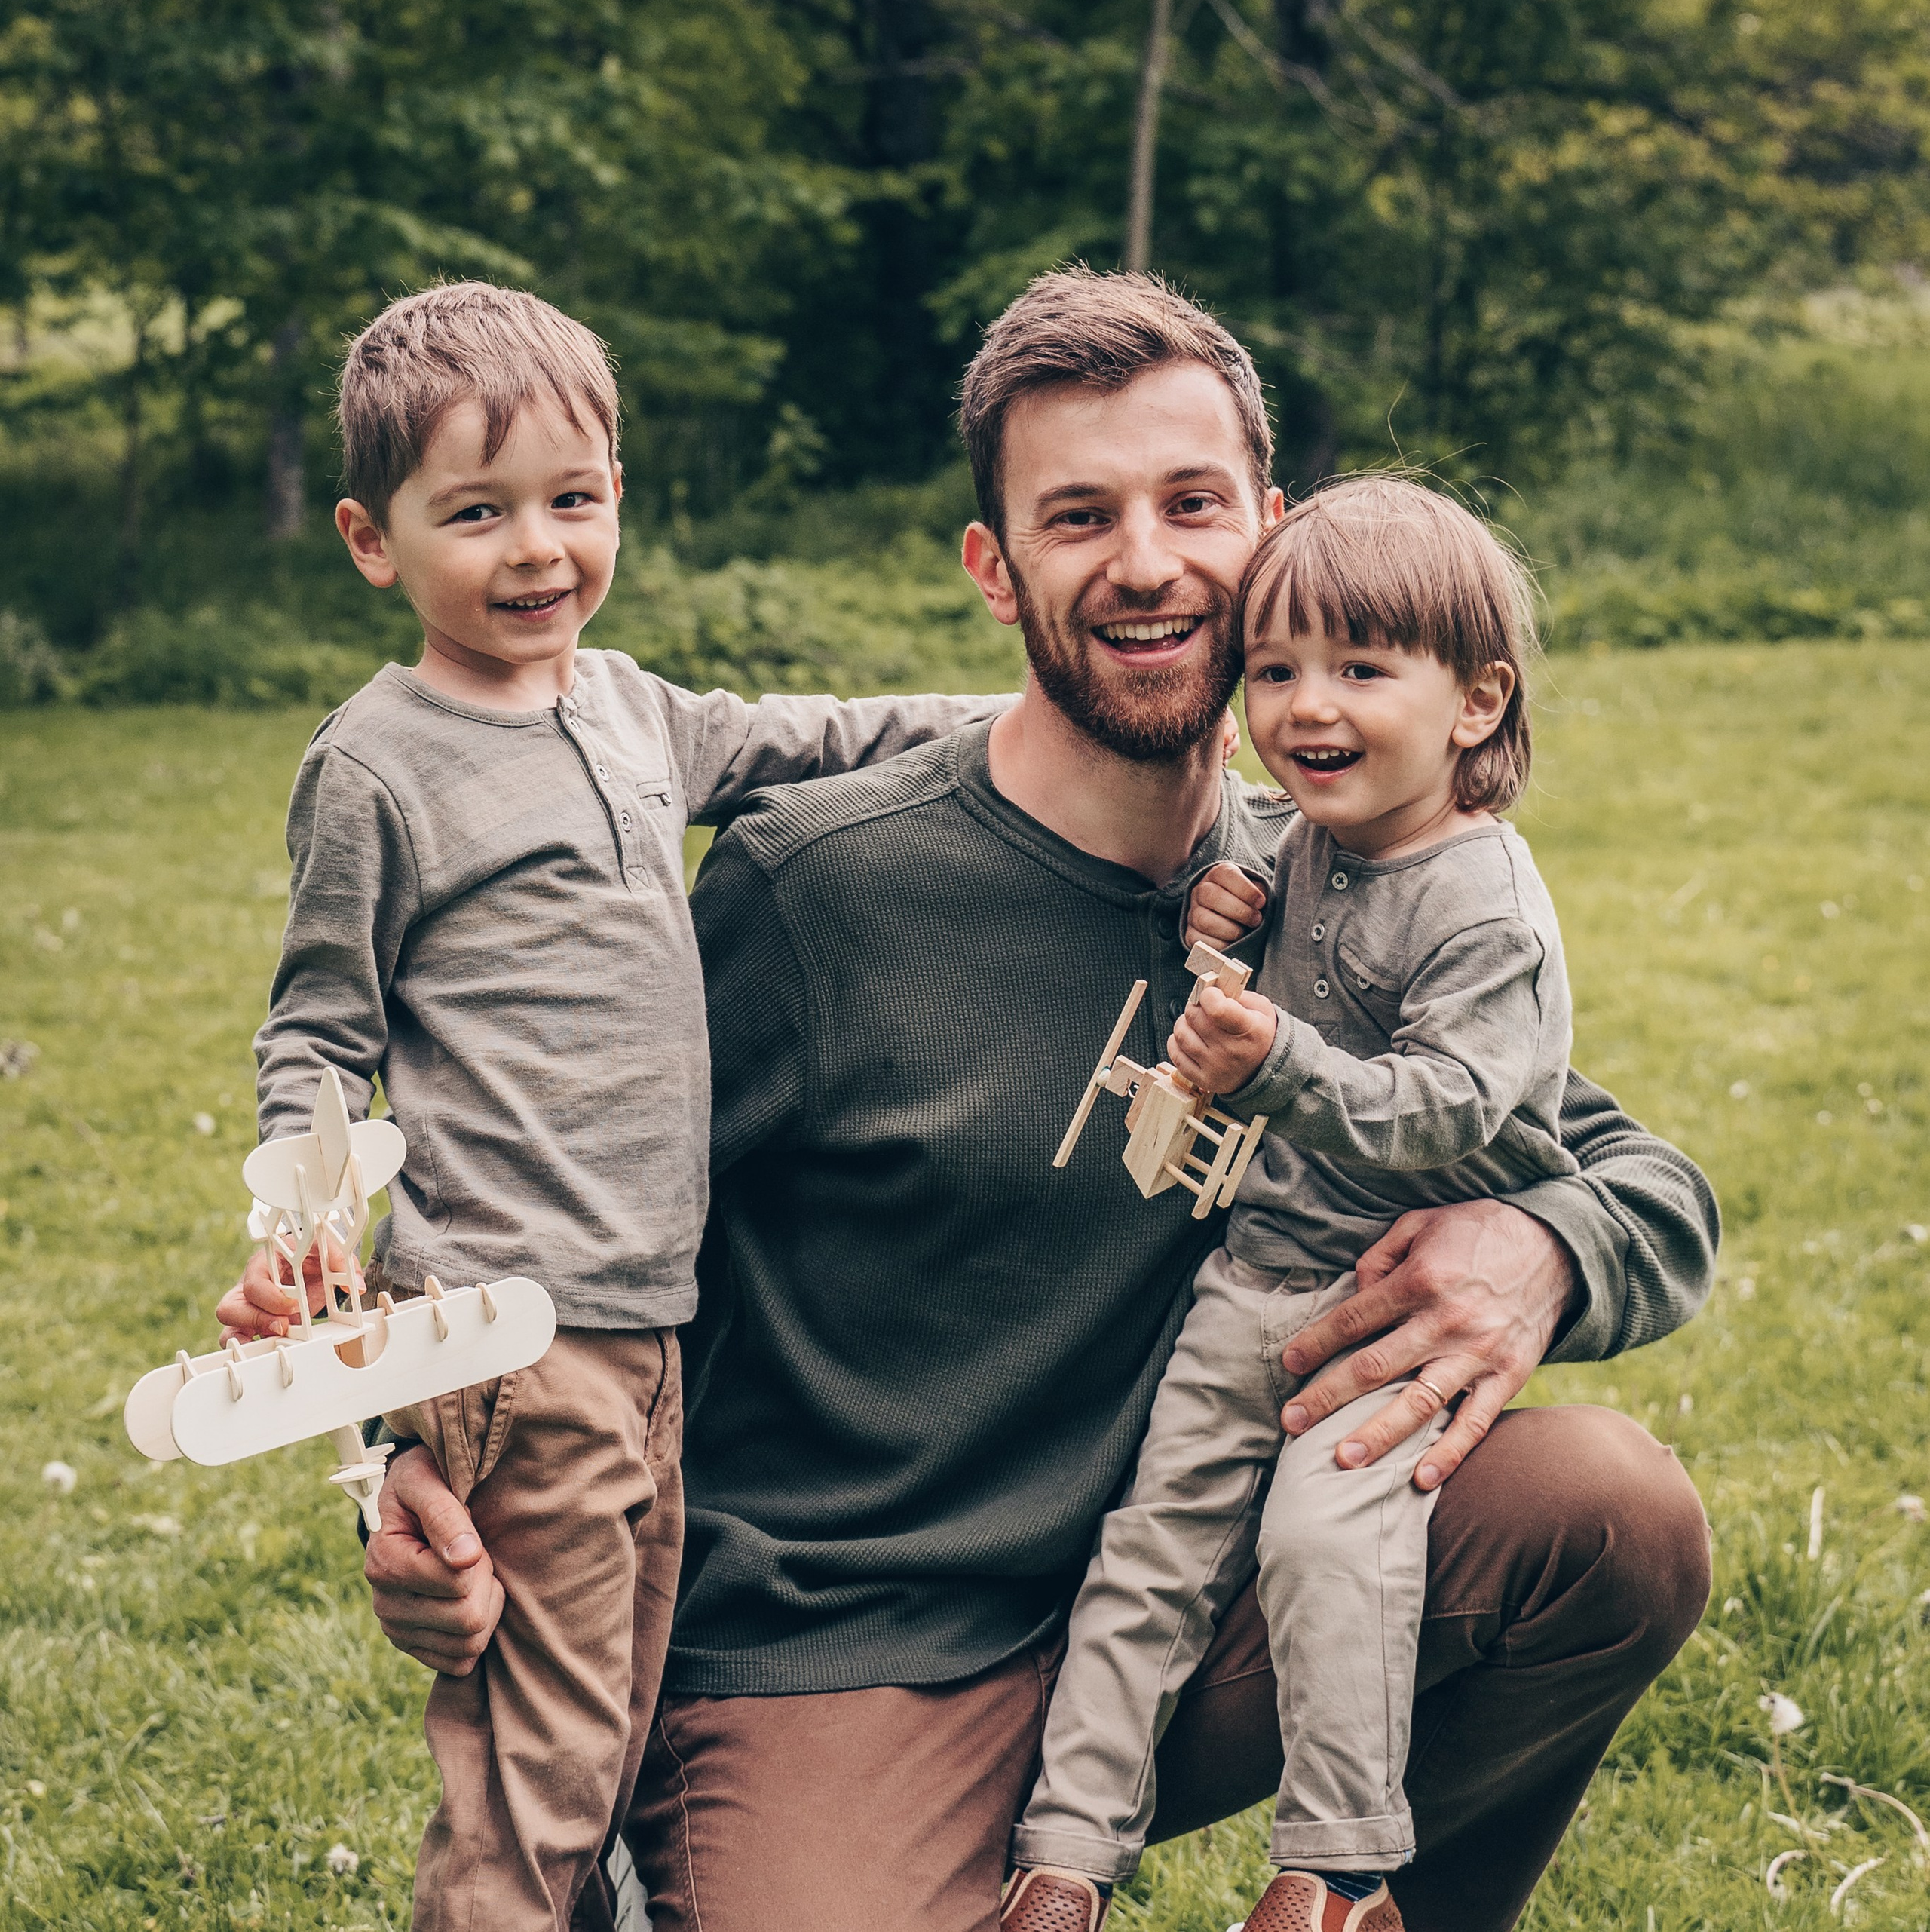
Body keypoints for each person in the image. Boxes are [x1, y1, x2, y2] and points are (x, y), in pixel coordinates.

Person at [346, 268, 1717, 1932]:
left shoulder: (1334, 884)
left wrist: (1544, 1251)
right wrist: (402, 1463)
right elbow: (544, 1190)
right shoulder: (816, 888)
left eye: (1191, 503)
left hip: (1179, 1593)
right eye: (1079, 515)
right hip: (836, 1654)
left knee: (1606, 1520)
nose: (1145, 562)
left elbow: (1636, 1181)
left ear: (1269, 531)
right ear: (995, 568)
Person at [222, 281, 1009, 1932]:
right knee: (541, 1773)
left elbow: (821, 737)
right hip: (513, 1325)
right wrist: (305, 1240)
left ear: (619, 503)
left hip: (650, 1323)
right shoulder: (378, 765)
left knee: (608, 1727)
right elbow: (317, 1031)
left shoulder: (629, 707)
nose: (535, 553)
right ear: (374, 541)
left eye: (571, 503)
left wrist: (1012, 726)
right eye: (476, 513)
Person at [1004, 474, 1576, 1932]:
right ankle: (1064, 1857)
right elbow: (1262, 861)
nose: (1306, 708)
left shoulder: (1482, 904)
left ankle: (1336, 1874)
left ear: (1474, 701)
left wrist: (1285, 1065)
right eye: (1273, 671)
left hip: (1380, 1301)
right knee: (1151, 1549)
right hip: (1256, 1274)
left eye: (1360, 669)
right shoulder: (1315, 828)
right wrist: (1225, 907)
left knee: (1333, 1545)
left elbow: (1463, 1106)